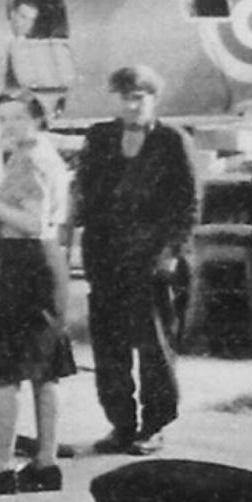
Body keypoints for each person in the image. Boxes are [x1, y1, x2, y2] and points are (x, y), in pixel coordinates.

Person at [67, 64, 198, 454]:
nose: (132, 104)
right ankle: (121, 424)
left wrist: (172, 251)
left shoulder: (173, 140)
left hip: (152, 258)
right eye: (125, 96)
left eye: (139, 96)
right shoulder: (100, 136)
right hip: (105, 255)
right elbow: (84, 191)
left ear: (153, 99)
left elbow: (189, 203)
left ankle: (154, 424)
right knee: (109, 346)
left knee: (154, 346)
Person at [0, 92, 76, 493]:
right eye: (2, 119)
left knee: (6, 371)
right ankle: (45, 463)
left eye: (17, 118)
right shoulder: (41, 153)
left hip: (27, 266)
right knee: (45, 369)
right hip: (44, 265)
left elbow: (32, 220)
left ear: (37, 120)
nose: (7, 127)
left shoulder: (30, 158)